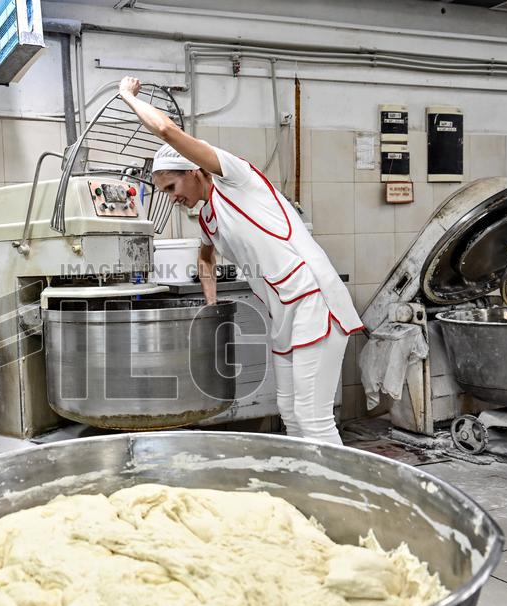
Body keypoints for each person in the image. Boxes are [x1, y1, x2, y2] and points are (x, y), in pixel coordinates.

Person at [118, 76, 363, 445]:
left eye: (172, 187)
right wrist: (211, 303)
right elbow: (205, 259)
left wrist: (127, 96)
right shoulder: (207, 217)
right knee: (291, 414)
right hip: (284, 312)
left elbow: (167, 130)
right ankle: (304, 478)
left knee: (313, 418)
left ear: (194, 171)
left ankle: (337, 483)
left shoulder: (236, 179)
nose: (172, 197)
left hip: (315, 301)